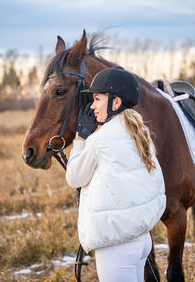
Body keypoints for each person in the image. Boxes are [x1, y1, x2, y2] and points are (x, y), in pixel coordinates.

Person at [66, 68, 166, 282]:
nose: (92, 106)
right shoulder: (140, 134)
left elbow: (74, 177)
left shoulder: (98, 141)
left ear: (116, 102)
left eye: (97, 99)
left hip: (116, 246)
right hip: (141, 239)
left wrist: (81, 138)